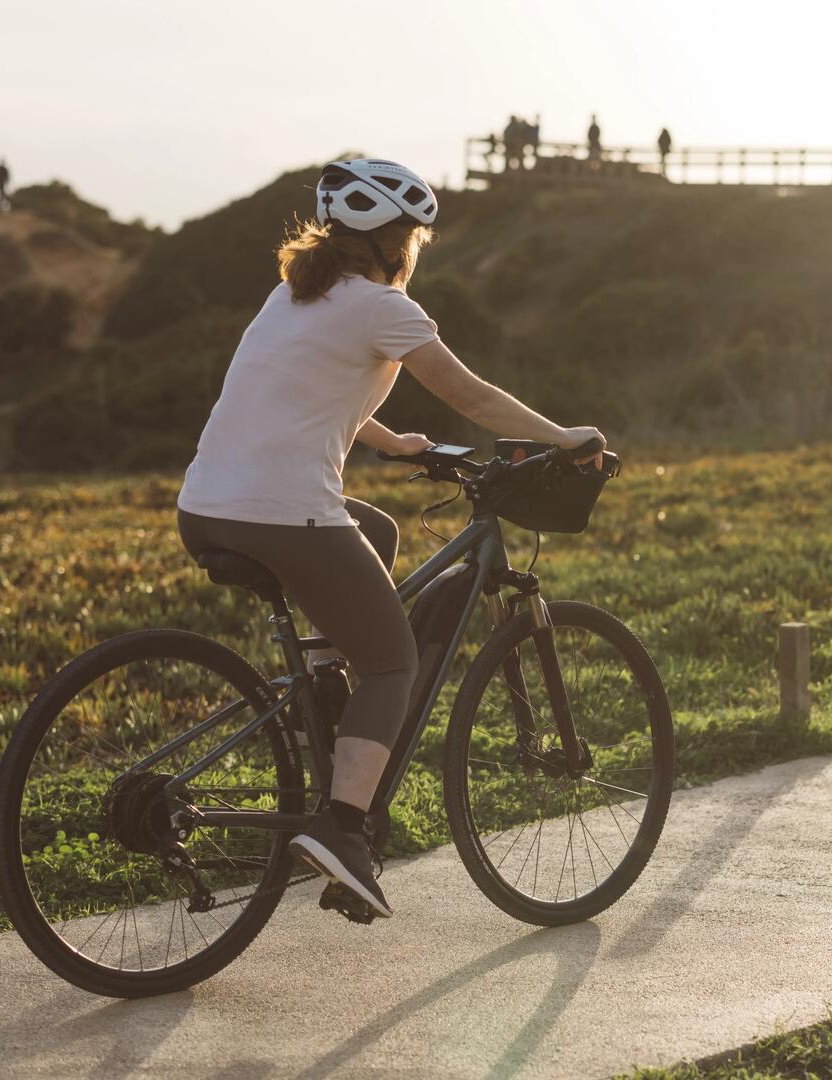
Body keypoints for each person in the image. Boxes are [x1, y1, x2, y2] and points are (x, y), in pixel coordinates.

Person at [175, 158, 606, 917]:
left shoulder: (296, 295)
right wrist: (563, 435)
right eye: (413, 238)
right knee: (392, 662)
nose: (413, 251)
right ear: (392, 243)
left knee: (370, 525)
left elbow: (300, 388)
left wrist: (390, 441)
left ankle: (322, 688)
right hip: (282, 512)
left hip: (208, 504)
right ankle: (342, 830)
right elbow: (472, 395)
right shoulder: (383, 308)